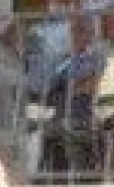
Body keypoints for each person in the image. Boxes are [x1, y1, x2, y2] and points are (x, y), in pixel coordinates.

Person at [41, 13, 107, 176]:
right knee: (44, 132)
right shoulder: (63, 60)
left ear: (91, 34)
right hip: (60, 112)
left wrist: (71, 87)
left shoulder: (97, 57)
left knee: (68, 130)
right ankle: (49, 176)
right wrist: (72, 86)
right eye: (74, 31)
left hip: (85, 112)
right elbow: (49, 85)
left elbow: (93, 85)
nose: (76, 35)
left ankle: (78, 177)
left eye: (82, 30)